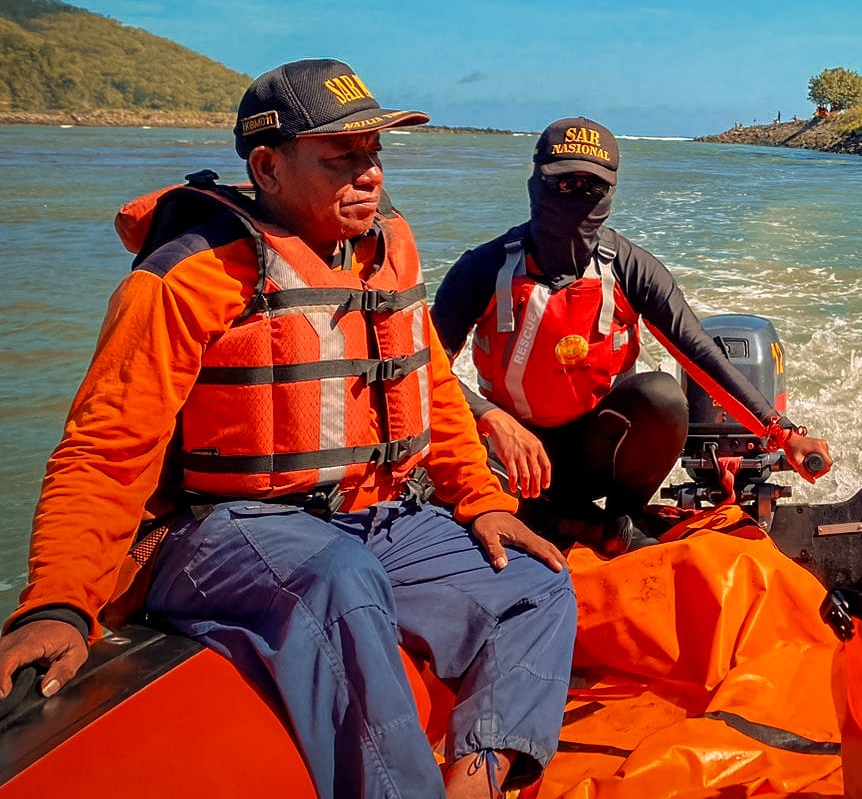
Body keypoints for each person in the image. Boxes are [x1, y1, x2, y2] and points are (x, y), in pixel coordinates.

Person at [0, 60, 577, 799]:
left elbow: (427, 381)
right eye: (342, 157)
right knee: (338, 578)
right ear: (268, 166)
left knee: (536, 581)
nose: (369, 174)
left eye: (374, 154)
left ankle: (477, 783)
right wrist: (57, 602)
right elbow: (103, 450)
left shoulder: (387, 249)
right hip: (213, 532)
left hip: (373, 525)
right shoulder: (186, 277)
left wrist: (481, 500)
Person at [432, 117, 833, 554]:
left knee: (662, 395)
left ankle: (618, 517)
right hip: (507, 456)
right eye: (564, 184)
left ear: (610, 193)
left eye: (592, 188)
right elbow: (423, 368)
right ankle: (589, 526)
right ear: (536, 183)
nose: (576, 198)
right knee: (432, 463)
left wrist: (784, 434)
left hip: (595, 452)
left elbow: (698, 351)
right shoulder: (484, 269)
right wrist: (491, 416)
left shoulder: (628, 267)